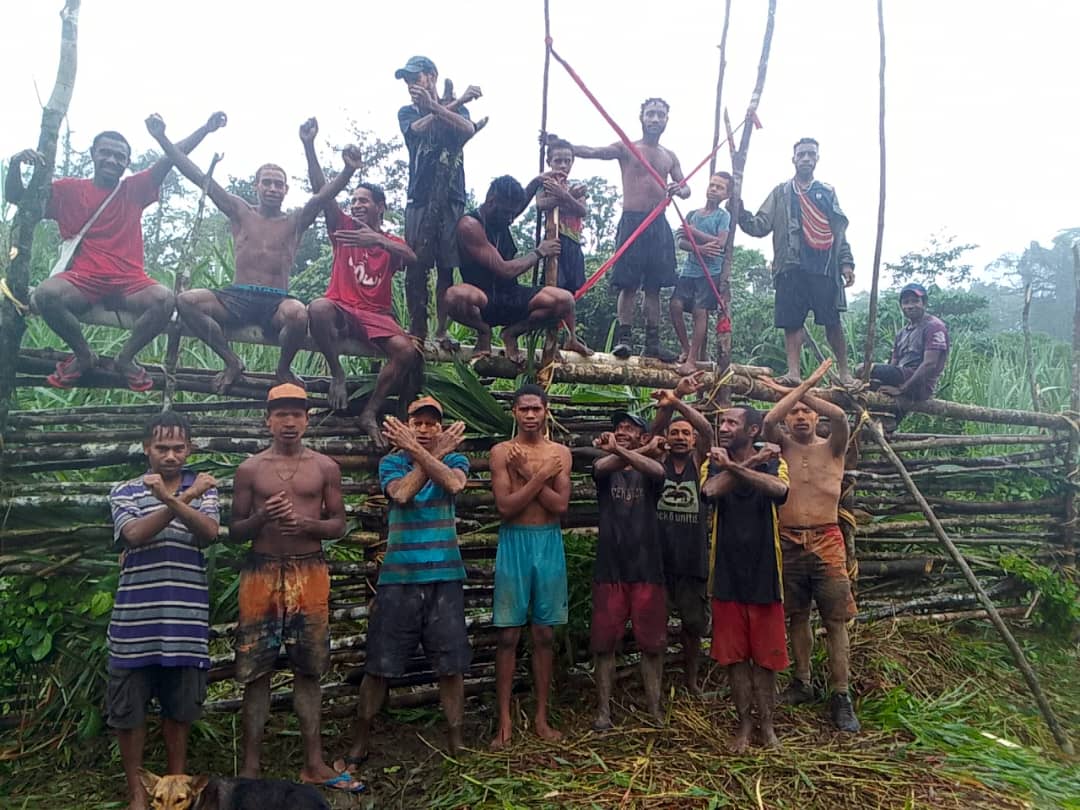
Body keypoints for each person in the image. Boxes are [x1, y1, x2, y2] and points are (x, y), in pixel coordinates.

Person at [6, 113, 225, 391]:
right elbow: (17, 198)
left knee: (164, 299)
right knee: (46, 295)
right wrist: (15, 164)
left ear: (126, 163)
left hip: (129, 280)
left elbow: (172, 157)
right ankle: (84, 354)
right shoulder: (68, 190)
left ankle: (125, 358)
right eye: (106, 153)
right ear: (93, 155)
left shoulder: (134, 188)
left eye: (119, 157)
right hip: (83, 279)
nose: (112, 160)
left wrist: (204, 129)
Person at [145, 113, 362, 393]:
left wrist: (347, 170)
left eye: (278, 184)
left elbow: (322, 196)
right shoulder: (239, 211)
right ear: (256, 186)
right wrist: (162, 138)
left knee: (298, 314)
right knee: (186, 301)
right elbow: (199, 176)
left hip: (275, 302)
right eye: (267, 182)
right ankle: (231, 361)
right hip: (236, 297)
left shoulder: (294, 221)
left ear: (286, 190)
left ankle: (283, 368)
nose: (272, 188)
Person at [229, 384, 361, 794]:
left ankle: (314, 761)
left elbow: (338, 524)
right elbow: (234, 531)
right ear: (267, 419)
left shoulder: (324, 467)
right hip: (261, 572)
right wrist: (262, 517)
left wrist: (306, 525)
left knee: (310, 668)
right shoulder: (250, 469)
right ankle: (251, 767)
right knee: (256, 671)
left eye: (296, 414)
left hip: (310, 570)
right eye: (280, 414)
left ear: (307, 419)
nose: (289, 422)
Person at [335, 398, 471, 773]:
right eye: (418, 423)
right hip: (398, 579)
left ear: (441, 428)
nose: (425, 430)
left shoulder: (455, 461)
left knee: (451, 666)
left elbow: (455, 484)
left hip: (445, 578)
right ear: (407, 426)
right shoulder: (391, 463)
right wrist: (421, 452)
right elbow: (401, 494)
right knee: (379, 665)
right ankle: (360, 741)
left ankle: (456, 740)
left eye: (432, 424)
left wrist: (426, 453)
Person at [107, 411, 219, 810]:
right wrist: (184, 498)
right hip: (134, 623)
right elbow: (134, 535)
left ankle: (177, 787)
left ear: (189, 449)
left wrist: (172, 499)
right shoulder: (124, 491)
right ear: (146, 449)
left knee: (180, 711)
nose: (170, 455)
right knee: (128, 715)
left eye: (178, 448)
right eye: (161, 448)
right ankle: (137, 792)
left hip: (184, 624)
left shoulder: (208, 491)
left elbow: (208, 534)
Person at [300, 118, 422, 440]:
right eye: (353, 201)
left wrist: (378, 241)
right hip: (341, 308)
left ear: (379, 208)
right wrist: (309, 146)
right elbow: (322, 195)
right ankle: (336, 372)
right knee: (318, 307)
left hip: (375, 316)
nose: (355, 205)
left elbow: (414, 259)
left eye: (363, 201)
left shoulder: (390, 241)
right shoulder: (342, 227)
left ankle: (370, 411)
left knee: (406, 352)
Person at [760, 359, 860, 732]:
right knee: (796, 615)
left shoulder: (833, 446)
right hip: (787, 541)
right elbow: (769, 421)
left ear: (816, 417)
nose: (801, 417)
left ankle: (841, 694)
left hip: (826, 540)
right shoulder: (781, 442)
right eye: (796, 413)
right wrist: (801, 390)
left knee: (835, 621)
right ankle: (802, 681)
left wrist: (805, 390)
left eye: (807, 412)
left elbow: (840, 415)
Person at [558, 98, 691, 360]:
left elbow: (685, 187)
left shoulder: (669, 156)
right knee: (628, 285)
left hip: (658, 223)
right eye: (650, 114)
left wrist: (679, 189)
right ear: (642, 118)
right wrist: (565, 146)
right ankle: (624, 339)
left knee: (654, 287)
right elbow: (595, 151)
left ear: (666, 120)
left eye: (660, 115)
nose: (655, 119)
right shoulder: (627, 147)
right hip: (632, 221)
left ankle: (652, 343)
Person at [701, 407, 790, 752]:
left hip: (767, 574)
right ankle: (743, 726)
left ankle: (768, 728)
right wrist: (750, 463)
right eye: (721, 422)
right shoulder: (715, 463)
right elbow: (711, 491)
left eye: (730, 423)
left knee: (766, 659)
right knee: (734, 659)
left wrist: (737, 466)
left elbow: (779, 491)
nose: (722, 428)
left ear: (752, 430)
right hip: (725, 575)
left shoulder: (776, 462)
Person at [489, 384, 572, 749]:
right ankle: (504, 720)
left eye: (536, 409)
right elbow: (506, 507)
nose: (530, 415)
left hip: (548, 543)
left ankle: (541, 716)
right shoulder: (502, 453)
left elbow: (560, 506)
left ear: (546, 410)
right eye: (524, 409)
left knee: (544, 634)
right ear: (514, 412)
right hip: (515, 543)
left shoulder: (560, 454)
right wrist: (536, 476)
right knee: (508, 634)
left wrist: (527, 475)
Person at [737, 138, 856, 386]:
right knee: (792, 321)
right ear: (793, 159)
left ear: (817, 159)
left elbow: (838, 230)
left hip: (824, 265)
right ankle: (793, 373)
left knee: (832, 321)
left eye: (810, 154)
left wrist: (846, 262)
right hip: (790, 265)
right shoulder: (782, 192)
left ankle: (845, 373)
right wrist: (739, 211)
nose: (805, 158)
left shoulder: (826, 192)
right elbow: (760, 225)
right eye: (801, 154)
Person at [445, 176, 591, 363]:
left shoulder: (502, 218)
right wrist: (539, 252)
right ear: (491, 202)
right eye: (507, 213)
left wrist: (540, 180)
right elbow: (504, 270)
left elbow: (521, 202)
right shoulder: (470, 225)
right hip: (482, 298)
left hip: (510, 294)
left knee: (564, 300)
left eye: (513, 213)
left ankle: (512, 333)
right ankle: (483, 332)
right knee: (454, 296)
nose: (511, 218)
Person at [396, 55, 483, 348]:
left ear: (431, 76)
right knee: (417, 263)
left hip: (451, 197)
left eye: (415, 77)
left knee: (447, 265)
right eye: (407, 80)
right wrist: (450, 104)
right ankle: (416, 326)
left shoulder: (458, 110)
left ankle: (442, 329)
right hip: (418, 198)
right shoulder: (407, 113)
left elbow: (467, 129)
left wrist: (451, 105)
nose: (411, 84)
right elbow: (417, 130)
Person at [590, 411, 667, 729]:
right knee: (604, 645)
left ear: (643, 436)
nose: (621, 432)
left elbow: (658, 471)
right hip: (610, 570)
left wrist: (624, 451)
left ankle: (654, 711)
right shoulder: (606, 467)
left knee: (652, 645)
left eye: (630, 429)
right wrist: (637, 451)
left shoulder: (649, 471)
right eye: (618, 428)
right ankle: (604, 711)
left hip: (648, 569)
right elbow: (599, 467)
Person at [649, 372, 715, 696]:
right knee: (656, 630)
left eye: (684, 434)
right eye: (674, 432)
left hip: (693, 562)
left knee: (693, 628)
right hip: (658, 563)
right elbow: (655, 431)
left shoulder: (701, 464)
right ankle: (657, 687)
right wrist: (671, 399)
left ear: (692, 441)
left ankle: (691, 683)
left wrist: (679, 402)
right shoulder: (657, 460)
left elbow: (707, 430)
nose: (678, 437)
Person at [671, 172, 732, 375]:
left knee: (700, 311)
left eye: (720, 187)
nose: (714, 189)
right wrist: (700, 247)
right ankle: (686, 349)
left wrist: (694, 233)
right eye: (712, 185)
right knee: (675, 305)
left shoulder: (723, 216)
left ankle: (692, 358)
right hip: (689, 270)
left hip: (710, 272)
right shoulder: (693, 215)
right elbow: (681, 241)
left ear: (726, 195)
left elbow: (720, 243)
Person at [869, 283, 950, 401]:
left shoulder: (934, 327)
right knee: (871, 385)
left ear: (924, 303)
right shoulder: (902, 333)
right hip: (902, 378)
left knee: (864, 368)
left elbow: (930, 364)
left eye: (915, 301)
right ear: (901, 306)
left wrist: (903, 389)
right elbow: (894, 364)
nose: (910, 306)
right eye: (906, 302)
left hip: (920, 385)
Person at [535, 138, 589, 295]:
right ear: (549, 161)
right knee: (553, 287)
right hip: (555, 241)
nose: (563, 166)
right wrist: (567, 196)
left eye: (567, 161)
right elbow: (541, 205)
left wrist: (564, 196)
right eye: (558, 161)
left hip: (574, 243)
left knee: (574, 291)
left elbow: (582, 210)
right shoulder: (545, 185)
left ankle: (568, 319)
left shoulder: (576, 186)